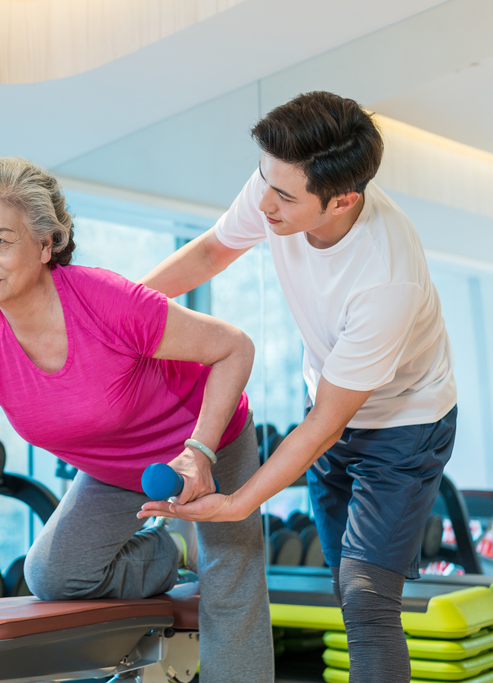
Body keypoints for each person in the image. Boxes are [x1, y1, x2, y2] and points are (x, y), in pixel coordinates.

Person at [0, 156, 274, 683]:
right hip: (114, 470)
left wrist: (201, 451)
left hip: (207, 440)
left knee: (229, 586)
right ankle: (165, 552)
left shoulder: (107, 301)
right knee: (51, 574)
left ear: (46, 246)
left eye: (0, 240)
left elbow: (234, 348)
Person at [138, 91, 457, 683]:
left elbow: (324, 425)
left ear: (343, 200)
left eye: (283, 195)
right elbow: (213, 249)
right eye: (264, 180)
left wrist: (237, 504)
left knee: (366, 598)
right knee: (343, 579)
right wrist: (119, 312)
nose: (264, 203)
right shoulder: (277, 186)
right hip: (332, 402)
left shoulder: (386, 279)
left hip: (404, 423)